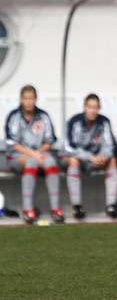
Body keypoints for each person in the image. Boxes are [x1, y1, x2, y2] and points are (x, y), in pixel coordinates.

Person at [4, 85, 64, 224]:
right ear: (21, 99)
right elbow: (13, 144)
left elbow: (50, 140)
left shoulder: (43, 116)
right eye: (26, 98)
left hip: (39, 153)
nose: (29, 102)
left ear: (36, 99)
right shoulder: (14, 116)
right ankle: (27, 209)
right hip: (17, 156)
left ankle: (55, 209)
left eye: (31, 98)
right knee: (31, 162)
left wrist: (38, 153)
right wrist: (34, 155)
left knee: (50, 162)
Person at [64, 94, 117, 219]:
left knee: (112, 160)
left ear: (99, 108)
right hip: (79, 159)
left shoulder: (104, 121)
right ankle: (76, 206)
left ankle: (111, 206)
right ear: (84, 107)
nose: (93, 111)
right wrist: (89, 157)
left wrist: (103, 156)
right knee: (73, 160)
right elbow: (69, 148)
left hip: (97, 159)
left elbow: (110, 145)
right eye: (90, 107)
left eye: (95, 107)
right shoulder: (74, 121)